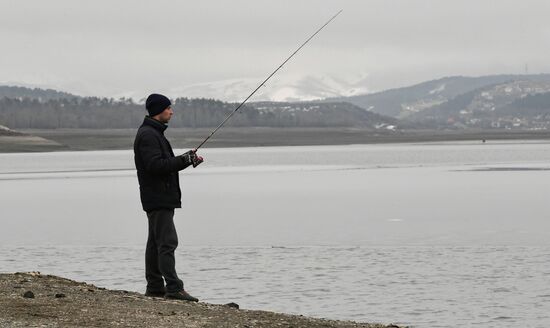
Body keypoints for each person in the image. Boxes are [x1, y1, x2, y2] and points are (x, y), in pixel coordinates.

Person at [133, 93, 203, 301]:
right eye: (168, 108)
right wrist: (183, 160)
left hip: (158, 197)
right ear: (158, 111)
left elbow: (163, 164)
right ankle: (173, 288)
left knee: (155, 242)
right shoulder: (148, 135)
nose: (171, 112)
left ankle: (155, 286)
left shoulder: (154, 133)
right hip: (158, 197)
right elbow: (155, 166)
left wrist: (186, 160)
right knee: (167, 242)